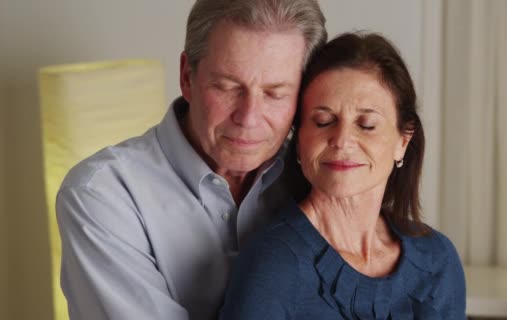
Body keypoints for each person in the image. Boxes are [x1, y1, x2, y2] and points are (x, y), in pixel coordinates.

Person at [55, 1, 326, 319]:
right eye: (227, 87)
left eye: (275, 94)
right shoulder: (101, 193)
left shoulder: (319, 177)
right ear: (187, 76)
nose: (248, 118)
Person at [221, 32, 466, 319]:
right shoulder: (272, 265)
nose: (342, 140)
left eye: (367, 124)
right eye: (324, 121)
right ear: (299, 140)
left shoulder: (437, 259)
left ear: (404, 140)